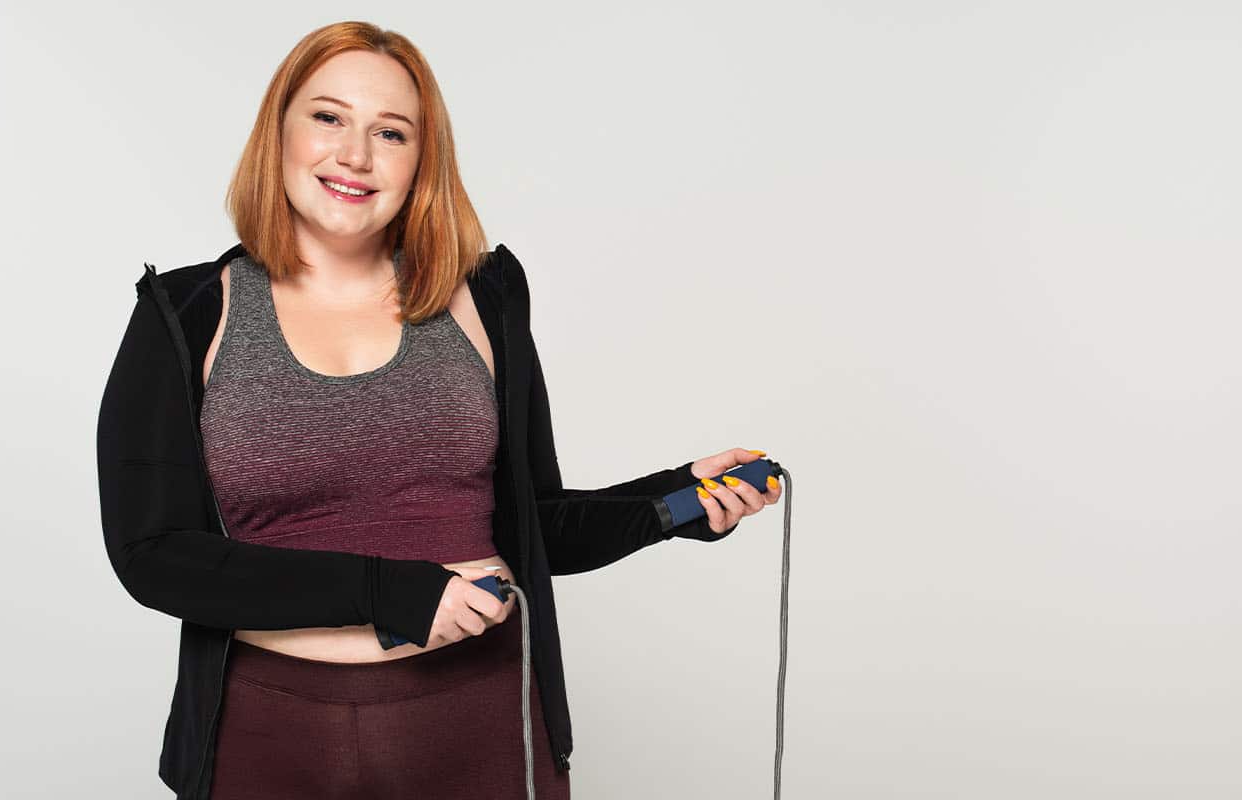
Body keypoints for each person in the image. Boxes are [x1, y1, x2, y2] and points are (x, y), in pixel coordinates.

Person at [95, 20, 781, 800]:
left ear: (422, 159)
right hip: (268, 735)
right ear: (277, 130)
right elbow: (154, 554)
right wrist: (392, 592)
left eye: (391, 132)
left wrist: (672, 500)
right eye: (328, 117)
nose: (355, 155)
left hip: (481, 724)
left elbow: (534, 521)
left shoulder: (484, 298)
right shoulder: (184, 313)